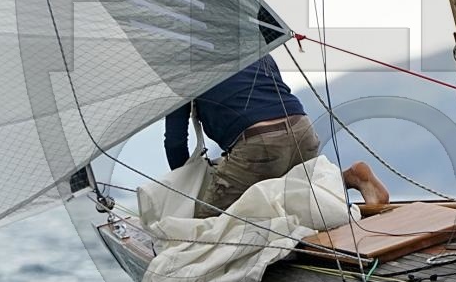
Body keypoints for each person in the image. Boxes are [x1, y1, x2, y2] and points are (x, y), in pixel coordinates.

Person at [165, 54, 390, 219]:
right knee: (297, 190)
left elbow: (175, 142)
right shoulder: (253, 49)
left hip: (257, 143)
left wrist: (185, 184)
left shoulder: (181, 72)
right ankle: (350, 178)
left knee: (204, 222)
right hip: (301, 126)